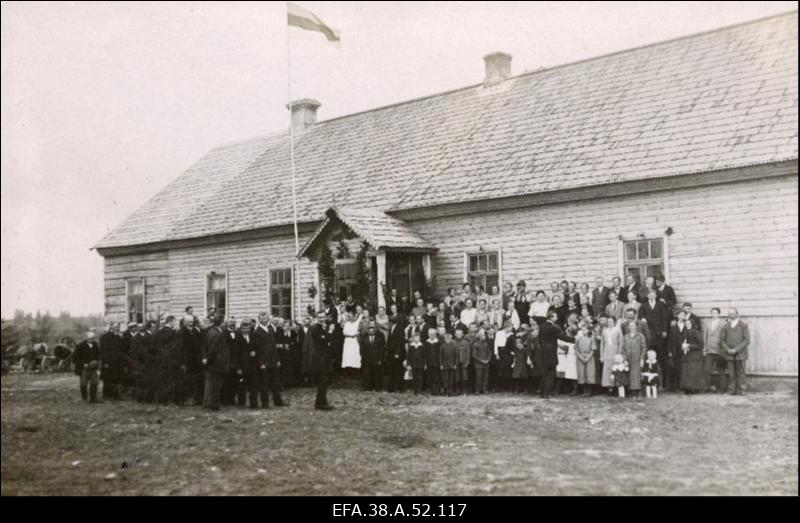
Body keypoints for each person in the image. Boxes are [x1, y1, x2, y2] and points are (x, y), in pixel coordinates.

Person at [539, 310, 575, 398]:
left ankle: (542, 391)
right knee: (551, 372)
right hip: (551, 352)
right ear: (551, 317)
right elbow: (562, 337)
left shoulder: (542, 326)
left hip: (543, 351)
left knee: (545, 372)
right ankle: (547, 392)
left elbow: (539, 339)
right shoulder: (553, 327)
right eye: (555, 316)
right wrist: (575, 340)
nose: (557, 318)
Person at [253, 312, 286, 408]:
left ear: (268, 319)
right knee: (264, 383)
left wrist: (278, 360)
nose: (264, 319)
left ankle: (277, 401)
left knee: (276, 382)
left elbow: (274, 347)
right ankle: (265, 403)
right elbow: (257, 349)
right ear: (259, 319)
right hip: (264, 361)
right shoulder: (257, 332)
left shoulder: (270, 330)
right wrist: (261, 363)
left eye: (266, 317)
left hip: (273, 360)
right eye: (262, 318)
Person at [202, 314, 229, 411]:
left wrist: (205, 359)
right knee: (216, 385)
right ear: (221, 323)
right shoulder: (216, 334)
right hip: (216, 363)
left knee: (213, 384)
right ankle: (214, 405)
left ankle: (211, 403)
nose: (226, 323)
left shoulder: (211, 332)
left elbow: (205, 346)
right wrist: (208, 361)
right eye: (224, 322)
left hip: (213, 363)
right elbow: (213, 350)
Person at [639, 289, 670, 373]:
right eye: (650, 295)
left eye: (653, 295)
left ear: (656, 296)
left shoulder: (661, 305)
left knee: (660, 352)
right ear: (647, 296)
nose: (651, 296)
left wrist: (664, 330)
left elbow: (664, 318)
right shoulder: (643, 306)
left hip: (659, 332)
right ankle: (648, 372)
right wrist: (643, 319)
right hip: (648, 332)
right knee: (649, 351)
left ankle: (660, 372)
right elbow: (641, 317)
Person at [719, 309, 749, 395]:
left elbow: (746, 340)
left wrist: (736, 349)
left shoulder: (743, 325)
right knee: (731, 373)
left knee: (741, 372)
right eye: (730, 314)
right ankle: (731, 390)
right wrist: (728, 349)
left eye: (733, 313)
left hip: (740, 354)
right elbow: (722, 340)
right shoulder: (726, 326)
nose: (731, 315)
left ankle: (742, 390)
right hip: (729, 353)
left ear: (737, 314)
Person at [310, 311, 335, 410]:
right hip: (320, 358)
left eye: (323, 317)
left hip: (325, 357)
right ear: (317, 318)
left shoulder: (323, 328)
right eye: (319, 317)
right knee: (322, 381)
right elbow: (323, 340)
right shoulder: (315, 328)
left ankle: (323, 402)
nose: (321, 319)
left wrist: (327, 335)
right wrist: (330, 332)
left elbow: (329, 340)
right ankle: (319, 404)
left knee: (324, 381)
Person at [677, 313, 705, 394]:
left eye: (689, 323)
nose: (687, 325)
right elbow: (681, 342)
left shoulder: (697, 332)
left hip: (695, 355)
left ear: (692, 324)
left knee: (694, 372)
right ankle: (687, 388)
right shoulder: (685, 332)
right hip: (687, 355)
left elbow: (701, 345)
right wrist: (682, 346)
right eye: (686, 324)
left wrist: (689, 346)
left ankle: (695, 388)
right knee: (686, 372)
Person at [179, 315, 204, 406]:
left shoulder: (195, 331)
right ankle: (185, 400)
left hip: (196, 360)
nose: (190, 323)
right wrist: (183, 362)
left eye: (192, 321)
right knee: (187, 380)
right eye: (188, 321)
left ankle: (196, 399)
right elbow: (181, 348)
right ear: (184, 322)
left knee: (196, 380)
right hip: (187, 360)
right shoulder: (181, 332)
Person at [74, 331, 101, 403]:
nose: (91, 340)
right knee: (84, 383)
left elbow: (98, 355)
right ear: (86, 338)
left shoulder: (95, 345)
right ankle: (84, 398)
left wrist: (96, 362)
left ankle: (93, 398)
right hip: (84, 368)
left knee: (94, 382)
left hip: (93, 367)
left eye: (93, 338)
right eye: (90, 339)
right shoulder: (80, 346)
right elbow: (75, 358)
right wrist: (83, 364)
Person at [99, 322, 124, 400]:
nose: (117, 328)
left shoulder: (119, 338)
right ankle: (106, 395)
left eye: (118, 327)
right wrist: (105, 362)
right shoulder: (105, 337)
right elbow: (103, 351)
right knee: (107, 378)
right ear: (111, 327)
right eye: (115, 327)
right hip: (108, 362)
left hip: (117, 362)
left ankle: (115, 395)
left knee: (116, 378)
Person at [622, 320, 647, 398]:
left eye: (633, 325)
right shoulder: (626, 336)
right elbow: (623, 348)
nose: (632, 327)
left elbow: (644, 347)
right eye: (630, 326)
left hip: (637, 357)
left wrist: (642, 358)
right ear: (628, 327)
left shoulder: (640, 335)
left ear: (636, 326)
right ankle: (631, 391)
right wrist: (625, 359)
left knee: (637, 374)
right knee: (629, 374)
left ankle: (638, 391)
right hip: (629, 358)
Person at [703, 308, 726, 392]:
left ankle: (722, 388)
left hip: (719, 350)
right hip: (709, 350)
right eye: (712, 313)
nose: (714, 314)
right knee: (706, 369)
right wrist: (705, 348)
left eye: (716, 313)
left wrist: (723, 349)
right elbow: (705, 336)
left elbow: (725, 337)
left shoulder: (723, 323)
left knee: (721, 370)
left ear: (719, 314)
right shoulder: (707, 323)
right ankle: (707, 387)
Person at [359, 322, 385, 391]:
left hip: (376, 359)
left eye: (372, 331)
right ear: (368, 331)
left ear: (374, 331)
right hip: (367, 359)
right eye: (369, 331)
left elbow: (381, 350)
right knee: (367, 374)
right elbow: (362, 350)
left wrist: (380, 359)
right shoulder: (365, 340)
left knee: (376, 374)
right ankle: (368, 387)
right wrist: (364, 358)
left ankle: (377, 388)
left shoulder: (378, 339)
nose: (371, 332)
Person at [601, 317, 624, 394]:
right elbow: (602, 343)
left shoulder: (617, 330)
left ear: (614, 322)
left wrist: (619, 353)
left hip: (615, 351)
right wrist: (602, 355)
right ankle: (609, 388)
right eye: (608, 321)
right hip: (607, 351)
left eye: (611, 321)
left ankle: (617, 387)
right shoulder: (605, 331)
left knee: (615, 369)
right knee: (607, 369)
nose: (609, 323)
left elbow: (621, 342)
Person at [384, 316, 406, 393]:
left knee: (399, 371)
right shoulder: (391, 328)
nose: (387, 323)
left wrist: (397, 353)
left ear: (392, 322)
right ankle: (391, 388)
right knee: (391, 371)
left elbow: (401, 342)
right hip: (391, 353)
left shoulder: (399, 329)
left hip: (397, 354)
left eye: (388, 322)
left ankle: (400, 388)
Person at [574, 324, 596, 396]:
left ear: (588, 330)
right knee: (582, 373)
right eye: (582, 329)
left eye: (585, 329)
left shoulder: (591, 339)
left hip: (589, 357)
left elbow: (593, 350)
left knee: (589, 373)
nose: (584, 331)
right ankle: (584, 391)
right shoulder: (578, 339)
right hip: (581, 357)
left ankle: (589, 391)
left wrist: (587, 358)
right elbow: (576, 349)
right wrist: (580, 357)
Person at [471, 330, 492, 394]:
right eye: (483, 335)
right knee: (478, 377)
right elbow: (474, 355)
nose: (484, 337)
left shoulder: (486, 344)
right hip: (478, 365)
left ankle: (484, 389)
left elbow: (489, 353)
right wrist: (481, 361)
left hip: (486, 364)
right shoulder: (475, 344)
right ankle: (477, 390)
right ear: (479, 336)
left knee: (485, 378)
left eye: (484, 335)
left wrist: (488, 359)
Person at [453, 327, 471, 394]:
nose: (458, 335)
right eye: (457, 334)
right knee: (456, 376)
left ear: (462, 334)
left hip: (463, 362)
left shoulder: (465, 342)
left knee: (464, 376)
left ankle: (464, 390)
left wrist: (467, 361)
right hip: (456, 362)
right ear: (455, 334)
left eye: (460, 334)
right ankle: (457, 390)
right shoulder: (453, 342)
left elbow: (468, 352)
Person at [440, 332, 458, 396]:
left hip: (452, 365)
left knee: (451, 379)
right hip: (445, 365)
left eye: (449, 338)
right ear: (444, 339)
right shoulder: (442, 346)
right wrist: (441, 364)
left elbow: (456, 356)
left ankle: (450, 391)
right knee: (445, 378)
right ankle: (445, 391)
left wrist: (455, 364)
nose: (447, 339)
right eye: (446, 338)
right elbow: (440, 356)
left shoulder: (454, 346)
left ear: (451, 338)